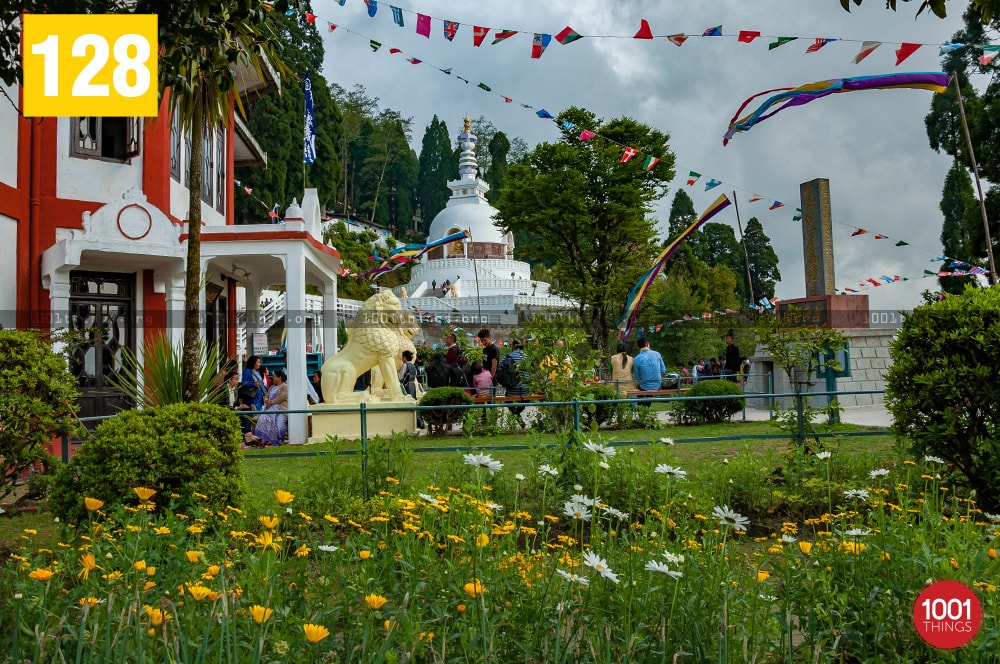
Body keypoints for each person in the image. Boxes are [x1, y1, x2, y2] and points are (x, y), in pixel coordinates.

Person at [254, 369, 288, 446]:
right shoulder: (272, 387)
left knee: (277, 421)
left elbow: (283, 397)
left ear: (279, 378)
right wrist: (266, 401)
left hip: (280, 409)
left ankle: (278, 440)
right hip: (269, 408)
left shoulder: (285, 386)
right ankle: (264, 439)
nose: (272, 378)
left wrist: (271, 402)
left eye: (274, 377)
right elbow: (266, 395)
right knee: (263, 419)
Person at [225, 370, 259, 444]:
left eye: (238, 379)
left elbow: (234, 404)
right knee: (244, 413)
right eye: (236, 379)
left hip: (233, 410)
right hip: (225, 411)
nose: (237, 382)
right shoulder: (224, 390)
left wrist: (239, 406)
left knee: (247, 410)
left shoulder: (235, 390)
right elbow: (224, 405)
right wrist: (237, 408)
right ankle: (247, 436)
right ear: (229, 380)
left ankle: (248, 434)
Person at [504, 340, 530, 427]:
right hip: (526, 390)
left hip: (512, 389)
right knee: (527, 398)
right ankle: (518, 412)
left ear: (514, 346)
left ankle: (516, 414)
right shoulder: (527, 357)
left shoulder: (508, 356)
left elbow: (501, 370)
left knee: (507, 399)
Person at [398, 349, 424, 429]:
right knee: (414, 401)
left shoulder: (405, 365)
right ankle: (419, 421)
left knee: (408, 402)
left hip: (406, 385)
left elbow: (400, 376)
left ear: (405, 357)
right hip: (412, 385)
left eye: (402, 357)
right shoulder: (413, 365)